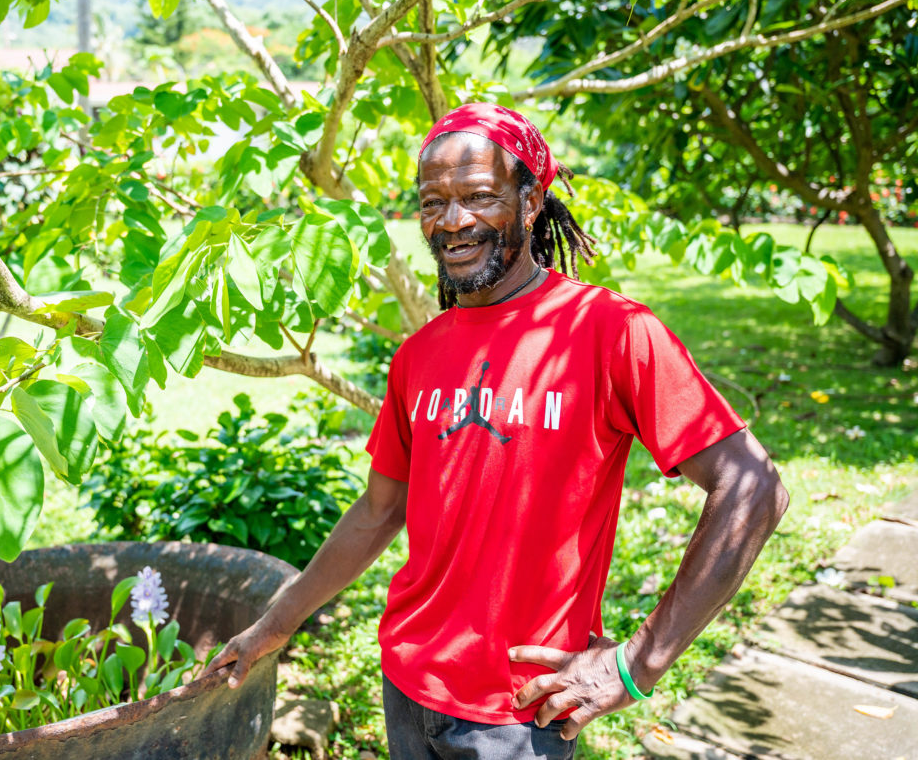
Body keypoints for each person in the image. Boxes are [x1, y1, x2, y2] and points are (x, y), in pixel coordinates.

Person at [203, 103, 790, 759]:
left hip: (518, 713)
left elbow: (752, 489)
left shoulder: (609, 333)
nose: (452, 222)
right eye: (433, 202)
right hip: (407, 681)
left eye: (478, 197)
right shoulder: (418, 354)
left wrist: (638, 662)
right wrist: (273, 627)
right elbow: (377, 511)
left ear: (531, 201)